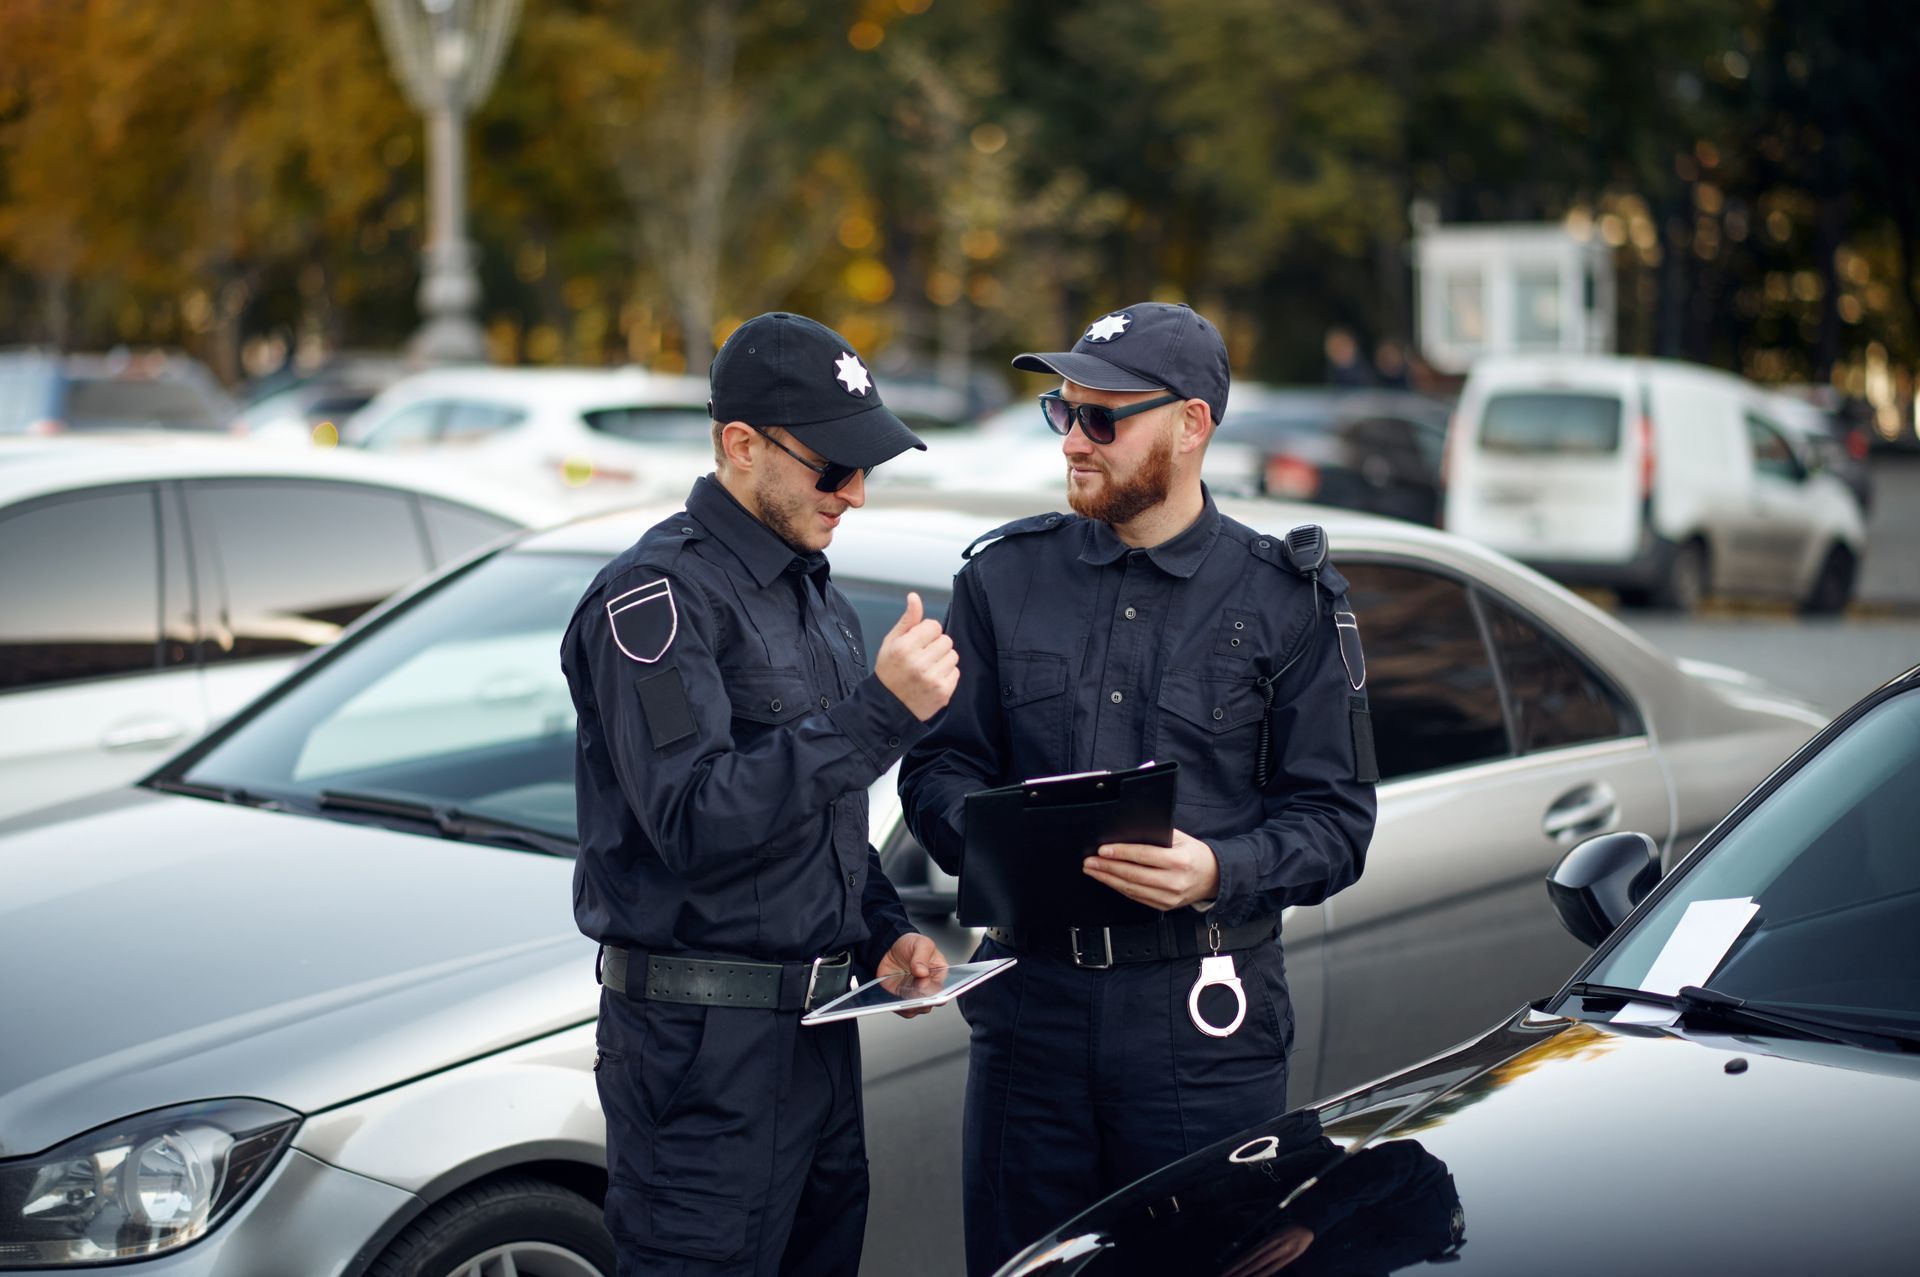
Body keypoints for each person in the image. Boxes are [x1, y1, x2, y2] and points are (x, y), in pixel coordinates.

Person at [898, 301, 1378, 1276]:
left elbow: (1338, 822)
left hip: (1202, 1024)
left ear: (1192, 424)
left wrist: (1218, 868)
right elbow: (939, 766)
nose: (1074, 440)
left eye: (1102, 419)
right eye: (1062, 412)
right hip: (1031, 1011)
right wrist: (993, 841)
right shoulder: (1004, 578)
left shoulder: (1283, 599)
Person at [561, 311, 956, 1276]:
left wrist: (882, 931)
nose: (856, 492)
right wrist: (878, 714)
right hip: (701, 1058)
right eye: (834, 467)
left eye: (868, 466)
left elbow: (821, 822)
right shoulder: (653, 598)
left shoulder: (809, 590)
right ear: (742, 445)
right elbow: (692, 818)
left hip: (817, 1038)